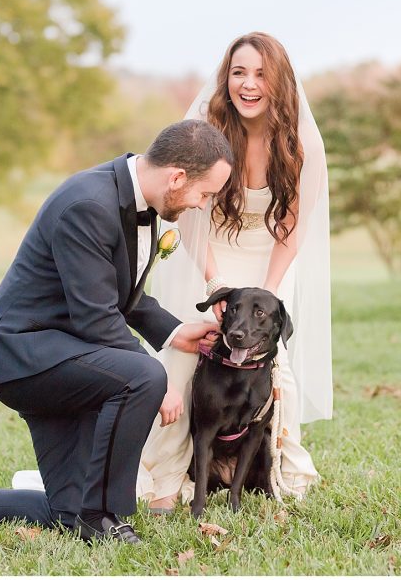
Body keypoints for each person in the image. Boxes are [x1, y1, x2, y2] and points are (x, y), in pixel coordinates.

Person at [0, 120, 233, 544]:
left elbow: (116, 291)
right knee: (144, 377)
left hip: (66, 356)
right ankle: (106, 517)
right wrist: (157, 380)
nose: (201, 205)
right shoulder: (88, 204)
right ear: (176, 178)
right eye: (204, 194)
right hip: (22, 354)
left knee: (66, 510)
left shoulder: (140, 201)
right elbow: (97, 317)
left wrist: (172, 332)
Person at [138, 32, 330, 512]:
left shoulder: (302, 142)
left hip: (269, 261)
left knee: (272, 363)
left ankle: (270, 470)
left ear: (279, 81)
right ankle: (165, 477)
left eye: (260, 74)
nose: (248, 84)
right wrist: (214, 284)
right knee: (186, 356)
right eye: (238, 73)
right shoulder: (207, 127)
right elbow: (184, 212)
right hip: (209, 253)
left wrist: (265, 293)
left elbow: (291, 228)